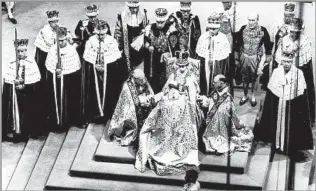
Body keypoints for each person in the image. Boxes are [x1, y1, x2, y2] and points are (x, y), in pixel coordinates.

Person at [135, 49, 201, 176]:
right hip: (170, 103)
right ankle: (163, 145)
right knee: (161, 114)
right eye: (180, 65)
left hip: (185, 105)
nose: (181, 68)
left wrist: (185, 100)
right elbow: (165, 90)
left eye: (184, 66)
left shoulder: (190, 78)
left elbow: (192, 97)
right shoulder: (173, 75)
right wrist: (161, 97)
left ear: (188, 65)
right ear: (176, 64)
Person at [254, 54, 314, 162]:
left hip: (293, 105)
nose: (287, 64)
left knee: (292, 126)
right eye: (285, 61)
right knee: (277, 124)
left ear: (292, 62)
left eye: (289, 62)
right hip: (279, 104)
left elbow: (301, 92)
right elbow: (272, 91)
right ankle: (278, 145)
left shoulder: (298, 73)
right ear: (281, 61)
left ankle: (289, 148)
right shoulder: (276, 72)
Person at [273, 18, 315, 126]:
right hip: (285, 71)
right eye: (291, 31)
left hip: (298, 73)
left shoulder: (305, 41)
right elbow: (278, 58)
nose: (292, 34)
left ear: (300, 31)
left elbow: (305, 64)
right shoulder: (284, 40)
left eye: (295, 32)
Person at [198, 74, 253, 154]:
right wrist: (203, 100)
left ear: (221, 83)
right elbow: (209, 103)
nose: (213, 83)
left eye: (215, 82)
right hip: (212, 126)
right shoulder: (215, 92)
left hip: (223, 127)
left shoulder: (227, 98)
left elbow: (233, 114)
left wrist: (238, 125)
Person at [82, 19, 122, 126]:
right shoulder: (91, 41)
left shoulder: (111, 41)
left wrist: (106, 67)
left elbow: (115, 60)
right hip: (94, 73)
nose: (101, 37)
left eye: (103, 34)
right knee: (94, 91)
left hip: (108, 73)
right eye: (98, 35)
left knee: (109, 91)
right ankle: (95, 113)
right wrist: (95, 66)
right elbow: (88, 59)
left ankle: (108, 113)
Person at [2, 38, 42, 142]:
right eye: (18, 51)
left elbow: (35, 82)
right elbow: (7, 81)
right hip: (14, 95)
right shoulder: (11, 62)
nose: (21, 53)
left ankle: (27, 132)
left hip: (26, 96)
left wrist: (25, 86)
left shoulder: (31, 62)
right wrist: (13, 85)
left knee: (28, 111)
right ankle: (14, 131)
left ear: (26, 50)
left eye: (23, 51)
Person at [45, 26, 81, 132]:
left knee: (68, 100)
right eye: (58, 41)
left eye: (62, 40)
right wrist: (55, 71)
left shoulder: (71, 51)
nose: (60, 43)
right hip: (55, 82)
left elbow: (74, 70)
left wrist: (64, 73)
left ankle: (67, 121)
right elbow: (49, 67)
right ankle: (55, 122)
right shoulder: (52, 50)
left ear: (66, 39)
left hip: (68, 83)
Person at [107, 69, 155, 148]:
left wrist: (149, 98)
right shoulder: (127, 86)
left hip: (143, 103)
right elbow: (130, 103)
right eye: (141, 79)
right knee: (130, 116)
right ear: (135, 78)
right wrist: (142, 103)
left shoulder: (143, 80)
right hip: (130, 108)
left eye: (144, 78)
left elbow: (149, 91)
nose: (143, 80)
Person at [234, 12, 273, 107]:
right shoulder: (243, 29)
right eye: (249, 20)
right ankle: (245, 95)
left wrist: (268, 55)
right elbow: (237, 43)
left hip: (256, 57)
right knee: (244, 77)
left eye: (253, 20)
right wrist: (236, 57)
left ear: (257, 20)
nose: (251, 22)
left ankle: (253, 96)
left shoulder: (263, 30)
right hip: (244, 56)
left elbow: (268, 43)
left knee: (255, 77)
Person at [260, 3, 296, 90]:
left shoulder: (295, 28)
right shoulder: (280, 27)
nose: (287, 18)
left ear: (293, 16)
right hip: (279, 53)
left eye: (290, 16)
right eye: (286, 16)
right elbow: (274, 40)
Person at [143, 7, 180, 93]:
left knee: (164, 82)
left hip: (164, 61)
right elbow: (145, 41)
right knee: (152, 82)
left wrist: (168, 53)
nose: (160, 25)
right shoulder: (149, 28)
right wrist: (148, 47)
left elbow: (175, 48)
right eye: (158, 22)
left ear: (165, 20)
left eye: (162, 22)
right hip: (152, 60)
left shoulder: (171, 30)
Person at [196, 12, 231, 95]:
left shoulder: (223, 38)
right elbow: (199, 55)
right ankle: (205, 94)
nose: (211, 30)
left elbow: (226, 59)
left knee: (216, 79)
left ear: (219, 28)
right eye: (210, 28)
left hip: (218, 64)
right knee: (205, 79)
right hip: (205, 64)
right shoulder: (203, 36)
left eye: (214, 29)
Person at [114, 1, 149, 82]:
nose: (134, 10)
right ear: (129, 8)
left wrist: (145, 33)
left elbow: (147, 29)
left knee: (140, 71)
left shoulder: (143, 15)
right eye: (132, 8)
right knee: (127, 71)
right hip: (126, 48)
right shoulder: (122, 17)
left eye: (136, 8)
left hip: (140, 49)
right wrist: (119, 47)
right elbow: (118, 33)